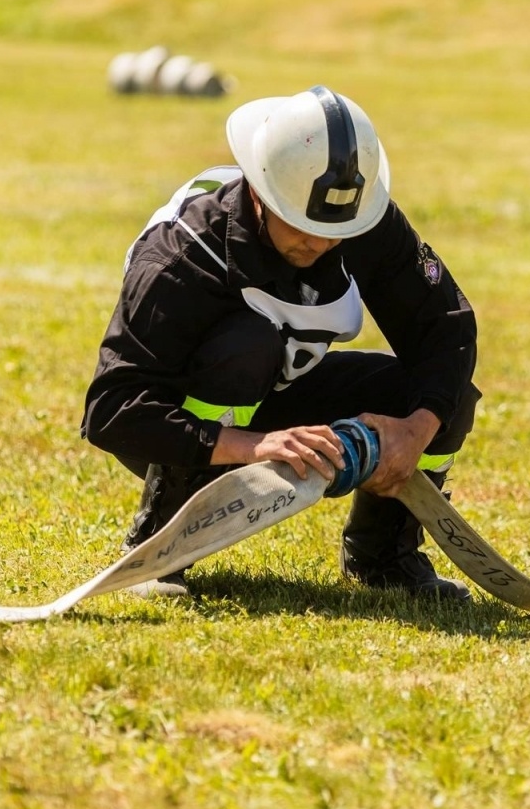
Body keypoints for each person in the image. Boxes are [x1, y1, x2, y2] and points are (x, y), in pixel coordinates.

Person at [81, 86, 480, 601]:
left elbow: (445, 327)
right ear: (259, 191)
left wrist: (416, 430)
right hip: (189, 427)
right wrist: (254, 446)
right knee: (246, 345)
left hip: (282, 392)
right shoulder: (181, 255)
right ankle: (162, 546)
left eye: (336, 229)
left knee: (442, 395)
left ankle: (384, 558)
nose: (320, 242)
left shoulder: (359, 221)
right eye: (302, 223)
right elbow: (113, 410)